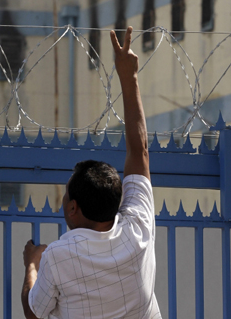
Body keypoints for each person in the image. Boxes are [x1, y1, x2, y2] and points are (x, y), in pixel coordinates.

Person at [21, 26, 161, 318]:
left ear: (73, 208)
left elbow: (34, 313)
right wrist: (129, 76)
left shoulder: (57, 257)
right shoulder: (137, 230)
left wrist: (32, 265)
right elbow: (140, 153)